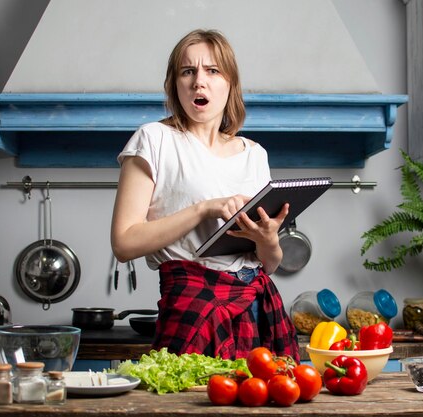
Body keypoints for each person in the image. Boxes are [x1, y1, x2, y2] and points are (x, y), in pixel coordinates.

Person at [110, 29, 299, 360]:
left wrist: (268, 239)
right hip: (193, 307)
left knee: (262, 409)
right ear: (175, 84)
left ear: (229, 83)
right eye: (188, 71)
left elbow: (269, 263)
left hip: (257, 307)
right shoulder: (153, 140)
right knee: (186, 408)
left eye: (213, 71)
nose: (200, 81)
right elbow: (124, 244)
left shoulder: (255, 154)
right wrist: (204, 209)